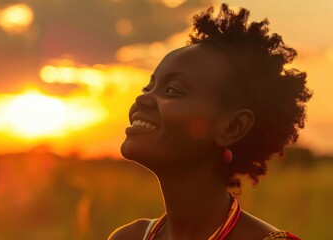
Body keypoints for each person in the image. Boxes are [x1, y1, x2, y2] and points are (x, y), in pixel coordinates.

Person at [109, 3, 312, 240]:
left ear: (232, 127)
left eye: (173, 90)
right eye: (149, 86)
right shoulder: (129, 237)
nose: (143, 98)